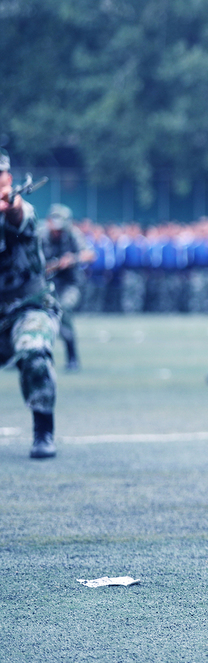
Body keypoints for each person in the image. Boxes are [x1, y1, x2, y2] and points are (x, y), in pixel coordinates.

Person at [0, 150, 62, 458]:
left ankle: (43, 429)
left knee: (33, 349)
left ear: (7, 180)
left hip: (28, 307)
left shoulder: (19, 210)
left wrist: (9, 203)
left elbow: (19, 216)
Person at [39, 204, 96, 372]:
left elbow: (90, 255)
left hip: (69, 284)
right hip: (44, 284)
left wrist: (73, 259)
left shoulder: (72, 235)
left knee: (64, 310)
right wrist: (55, 265)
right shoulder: (40, 236)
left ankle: (72, 357)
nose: (58, 232)